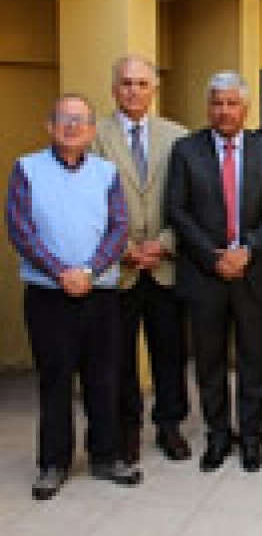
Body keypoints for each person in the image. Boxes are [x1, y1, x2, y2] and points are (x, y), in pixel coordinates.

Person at [6, 94, 142, 500]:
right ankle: (53, 463)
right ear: (50, 126)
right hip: (48, 294)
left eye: (80, 120)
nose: (71, 126)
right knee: (55, 379)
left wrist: (88, 271)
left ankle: (106, 456)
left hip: (100, 292)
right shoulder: (26, 168)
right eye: (64, 119)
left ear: (91, 129)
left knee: (105, 378)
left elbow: (119, 227)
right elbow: (20, 229)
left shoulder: (106, 172)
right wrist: (61, 273)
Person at [166, 71, 262, 473]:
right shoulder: (186, 150)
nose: (224, 111)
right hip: (205, 275)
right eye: (217, 103)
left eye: (232, 103)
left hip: (254, 273)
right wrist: (212, 255)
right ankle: (218, 436)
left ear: (245, 108)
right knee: (210, 363)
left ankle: (251, 437)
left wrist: (248, 250)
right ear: (208, 107)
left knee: (254, 361)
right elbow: (177, 210)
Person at [93, 55, 191, 465]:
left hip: (165, 266)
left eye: (141, 83)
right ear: (114, 88)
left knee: (170, 352)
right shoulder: (94, 136)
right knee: (118, 357)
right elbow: (88, 203)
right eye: (126, 83)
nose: (133, 90)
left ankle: (169, 425)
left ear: (154, 88)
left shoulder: (178, 137)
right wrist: (123, 249)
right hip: (119, 269)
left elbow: (191, 202)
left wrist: (164, 244)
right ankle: (127, 430)